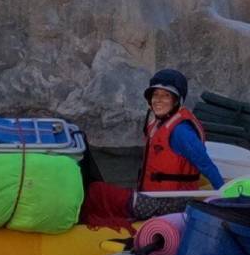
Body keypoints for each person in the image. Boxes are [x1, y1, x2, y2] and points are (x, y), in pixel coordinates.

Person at [80, 68, 226, 226]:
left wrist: (225, 196)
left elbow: (206, 165)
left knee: (97, 192)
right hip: (153, 196)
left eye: (166, 95)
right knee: (97, 190)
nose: (158, 100)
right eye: (155, 95)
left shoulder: (181, 132)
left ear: (176, 100)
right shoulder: (159, 123)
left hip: (171, 204)